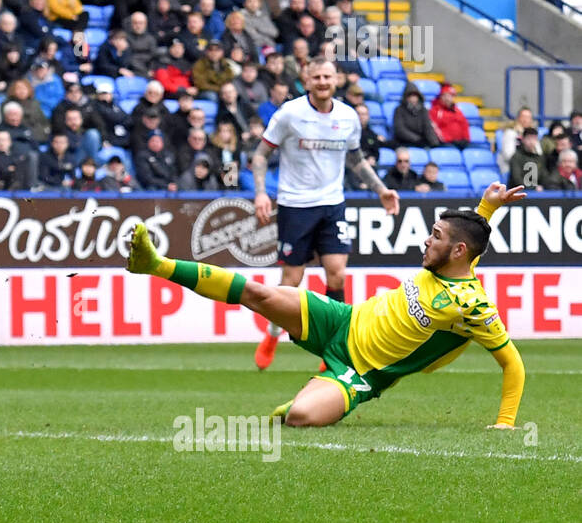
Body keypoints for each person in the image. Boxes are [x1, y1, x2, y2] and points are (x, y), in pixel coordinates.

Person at [125, 181, 528, 429]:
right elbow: (468, 239)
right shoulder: (456, 257)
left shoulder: (472, 306)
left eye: (435, 236)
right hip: (342, 319)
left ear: (456, 250)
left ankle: (307, 397)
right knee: (260, 294)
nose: (426, 240)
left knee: (300, 417)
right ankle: (157, 264)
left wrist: (506, 423)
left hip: (359, 373)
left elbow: (512, 363)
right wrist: (487, 208)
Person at [251, 56, 400, 371]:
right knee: (291, 280)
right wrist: (261, 192)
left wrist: (381, 190)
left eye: (327, 77)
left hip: (332, 204)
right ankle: (273, 333)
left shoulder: (347, 117)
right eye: (316, 77)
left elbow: (356, 159)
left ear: (336, 80)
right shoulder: (290, 113)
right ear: (307, 81)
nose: (322, 82)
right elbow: (261, 154)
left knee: (337, 273)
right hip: (295, 205)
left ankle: (335, 347)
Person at [429, 83, 470, 149]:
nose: (447, 98)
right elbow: (434, 128)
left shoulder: (458, 111)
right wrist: (445, 140)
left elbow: (464, 125)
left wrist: (466, 139)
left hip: (460, 143)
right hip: (446, 143)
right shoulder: (435, 111)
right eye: (445, 96)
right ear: (441, 97)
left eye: (450, 96)